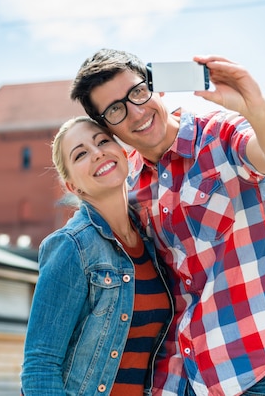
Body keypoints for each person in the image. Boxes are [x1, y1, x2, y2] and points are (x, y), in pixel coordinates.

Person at [70, 49, 265, 396]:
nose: (136, 112)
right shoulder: (129, 184)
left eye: (137, 92)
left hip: (248, 370)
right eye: (116, 110)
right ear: (108, 127)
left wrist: (253, 104)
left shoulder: (220, 137)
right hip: (173, 380)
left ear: (157, 89)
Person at [20, 116, 173, 395]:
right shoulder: (71, 247)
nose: (97, 152)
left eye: (103, 141)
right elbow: (39, 367)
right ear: (72, 187)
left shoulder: (152, 240)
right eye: (80, 154)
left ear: (124, 152)